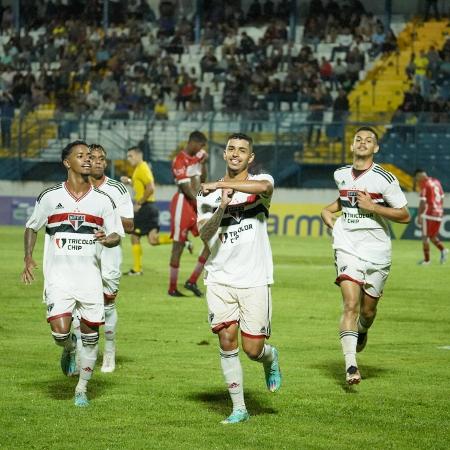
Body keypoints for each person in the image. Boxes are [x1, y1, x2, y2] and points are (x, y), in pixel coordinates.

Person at [21, 140, 124, 407]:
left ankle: (81, 389)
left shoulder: (104, 200)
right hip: (59, 278)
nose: (88, 160)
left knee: (92, 336)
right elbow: (32, 227)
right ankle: (68, 347)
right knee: (59, 333)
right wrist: (28, 257)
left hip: (90, 278)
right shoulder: (50, 197)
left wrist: (107, 238)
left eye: (89, 156)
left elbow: (116, 235)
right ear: (68, 163)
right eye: (81, 156)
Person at [197, 133, 281, 424]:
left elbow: (263, 186)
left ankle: (269, 358)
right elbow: (204, 235)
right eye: (231, 149)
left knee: (252, 349)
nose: (235, 154)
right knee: (226, 339)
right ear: (224, 154)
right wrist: (220, 206)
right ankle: (239, 408)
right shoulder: (206, 195)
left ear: (250, 157)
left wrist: (221, 184)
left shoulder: (261, 183)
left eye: (242, 150)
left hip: (255, 278)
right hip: (219, 278)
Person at [321, 127, 410, 385]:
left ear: (376, 148)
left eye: (368, 140)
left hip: (377, 250)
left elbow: (405, 215)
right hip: (347, 245)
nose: (362, 143)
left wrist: (374, 207)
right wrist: (327, 212)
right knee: (350, 304)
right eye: (358, 139)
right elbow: (341, 201)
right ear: (352, 146)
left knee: (368, 312)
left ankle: (363, 330)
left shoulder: (385, 179)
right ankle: (350, 366)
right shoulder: (340, 174)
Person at [86, 144, 134, 372]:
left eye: (101, 158)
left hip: (110, 250)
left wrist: (106, 217)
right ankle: (84, 350)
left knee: (107, 304)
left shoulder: (118, 189)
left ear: (105, 163)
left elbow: (130, 224)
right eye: (92, 158)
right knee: (81, 303)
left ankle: (110, 352)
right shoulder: (77, 188)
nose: (97, 161)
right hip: (82, 250)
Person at [168, 131, 210, 297]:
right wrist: (203, 204)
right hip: (183, 204)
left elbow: (203, 181)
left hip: (195, 204)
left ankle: (192, 281)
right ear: (193, 142)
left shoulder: (199, 156)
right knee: (178, 247)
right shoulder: (179, 160)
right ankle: (172, 288)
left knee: (210, 241)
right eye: (201, 145)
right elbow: (186, 189)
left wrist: (204, 164)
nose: (202, 148)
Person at [121, 146, 171, 276]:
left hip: (145, 207)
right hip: (150, 208)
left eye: (130, 156)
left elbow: (151, 188)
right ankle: (178, 239)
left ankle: (137, 269)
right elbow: (141, 185)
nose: (129, 159)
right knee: (153, 240)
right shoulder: (139, 169)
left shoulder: (142, 167)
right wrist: (130, 181)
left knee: (134, 236)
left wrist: (139, 202)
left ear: (138, 155)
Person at [414, 169, 447, 265]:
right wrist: (440, 210)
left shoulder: (424, 183)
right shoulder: (436, 181)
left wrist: (420, 215)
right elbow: (441, 197)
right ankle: (443, 250)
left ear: (419, 175)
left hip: (428, 213)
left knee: (425, 237)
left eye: (417, 177)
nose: (417, 180)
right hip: (438, 212)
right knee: (432, 236)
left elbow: (423, 201)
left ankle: (427, 260)